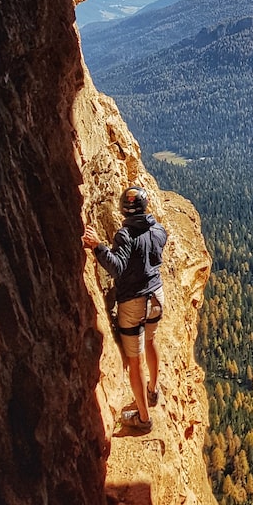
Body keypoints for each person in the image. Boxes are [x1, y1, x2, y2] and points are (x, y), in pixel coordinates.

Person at [83, 186, 167, 433]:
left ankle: (143, 418)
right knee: (151, 340)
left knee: (135, 359)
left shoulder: (125, 235)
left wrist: (98, 246)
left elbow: (117, 267)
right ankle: (153, 390)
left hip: (134, 301)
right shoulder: (159, 230)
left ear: (124, 209)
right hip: (157, 296)